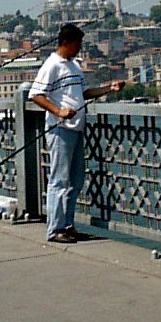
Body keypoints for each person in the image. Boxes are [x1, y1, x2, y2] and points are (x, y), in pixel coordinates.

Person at [29, 23, 123, 243]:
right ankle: (54, 230)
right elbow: (36, 94)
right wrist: (59, 111)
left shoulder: (75, 66)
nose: (80, 48)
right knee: (59, 180)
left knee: (76, 180)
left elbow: (85, 92)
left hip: (77, 128)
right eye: (78, 43)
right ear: (67, 43)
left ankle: (68, 225)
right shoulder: (52, 65)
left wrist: (110, 88)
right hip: (60, 130)